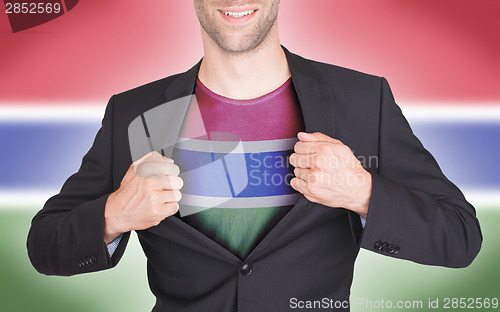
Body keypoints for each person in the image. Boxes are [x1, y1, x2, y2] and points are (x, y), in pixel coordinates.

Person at [27, 1, 482, 311]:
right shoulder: (137, 113)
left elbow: (460, 237)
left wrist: (363, 192)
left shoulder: (362, 100)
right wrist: (114, 214)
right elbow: (45, 245)